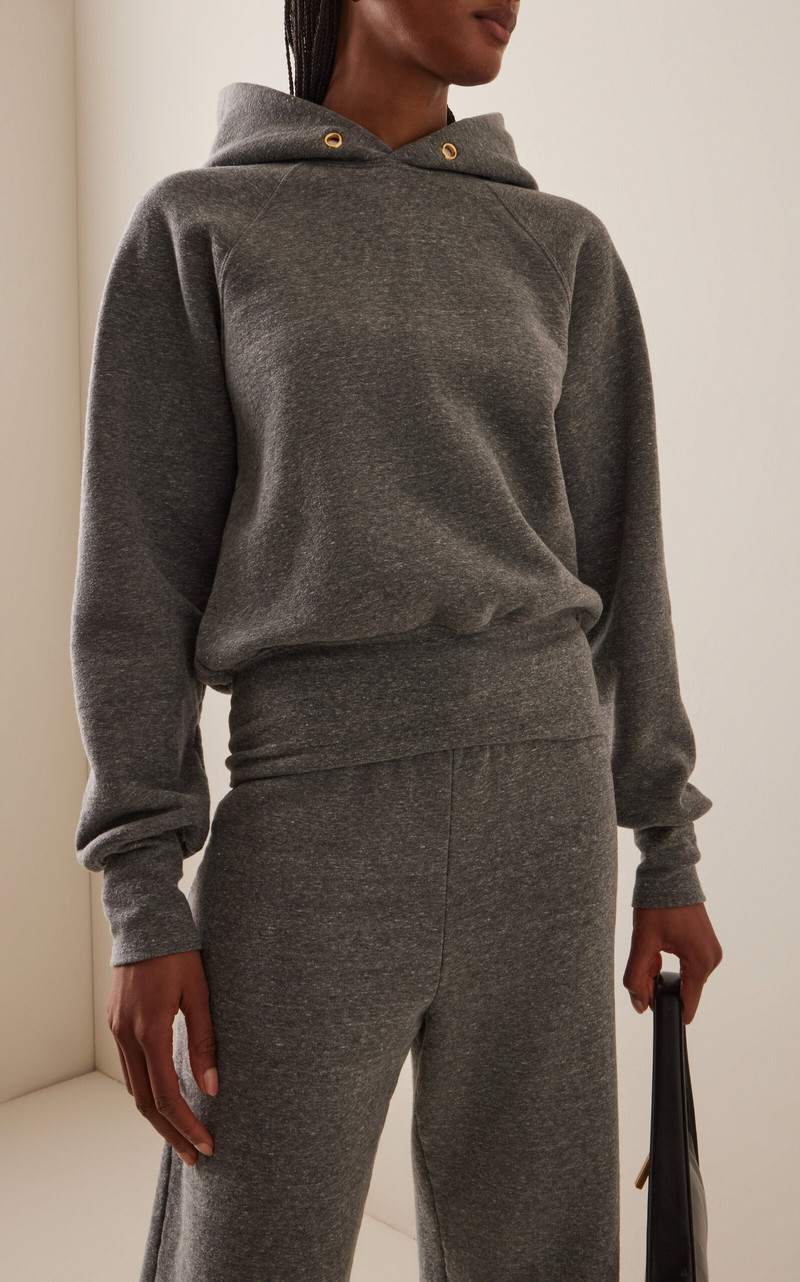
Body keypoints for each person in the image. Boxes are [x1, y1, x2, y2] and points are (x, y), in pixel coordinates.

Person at [69, 1, 724, 1278]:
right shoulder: (202, 226)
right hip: (309, 818)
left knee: (543, 1257)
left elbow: (621, 569)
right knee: (243, 1245)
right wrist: (142, 897)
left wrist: (668, 849)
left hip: (542, 816)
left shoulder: (559, 245)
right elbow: (134, 587)